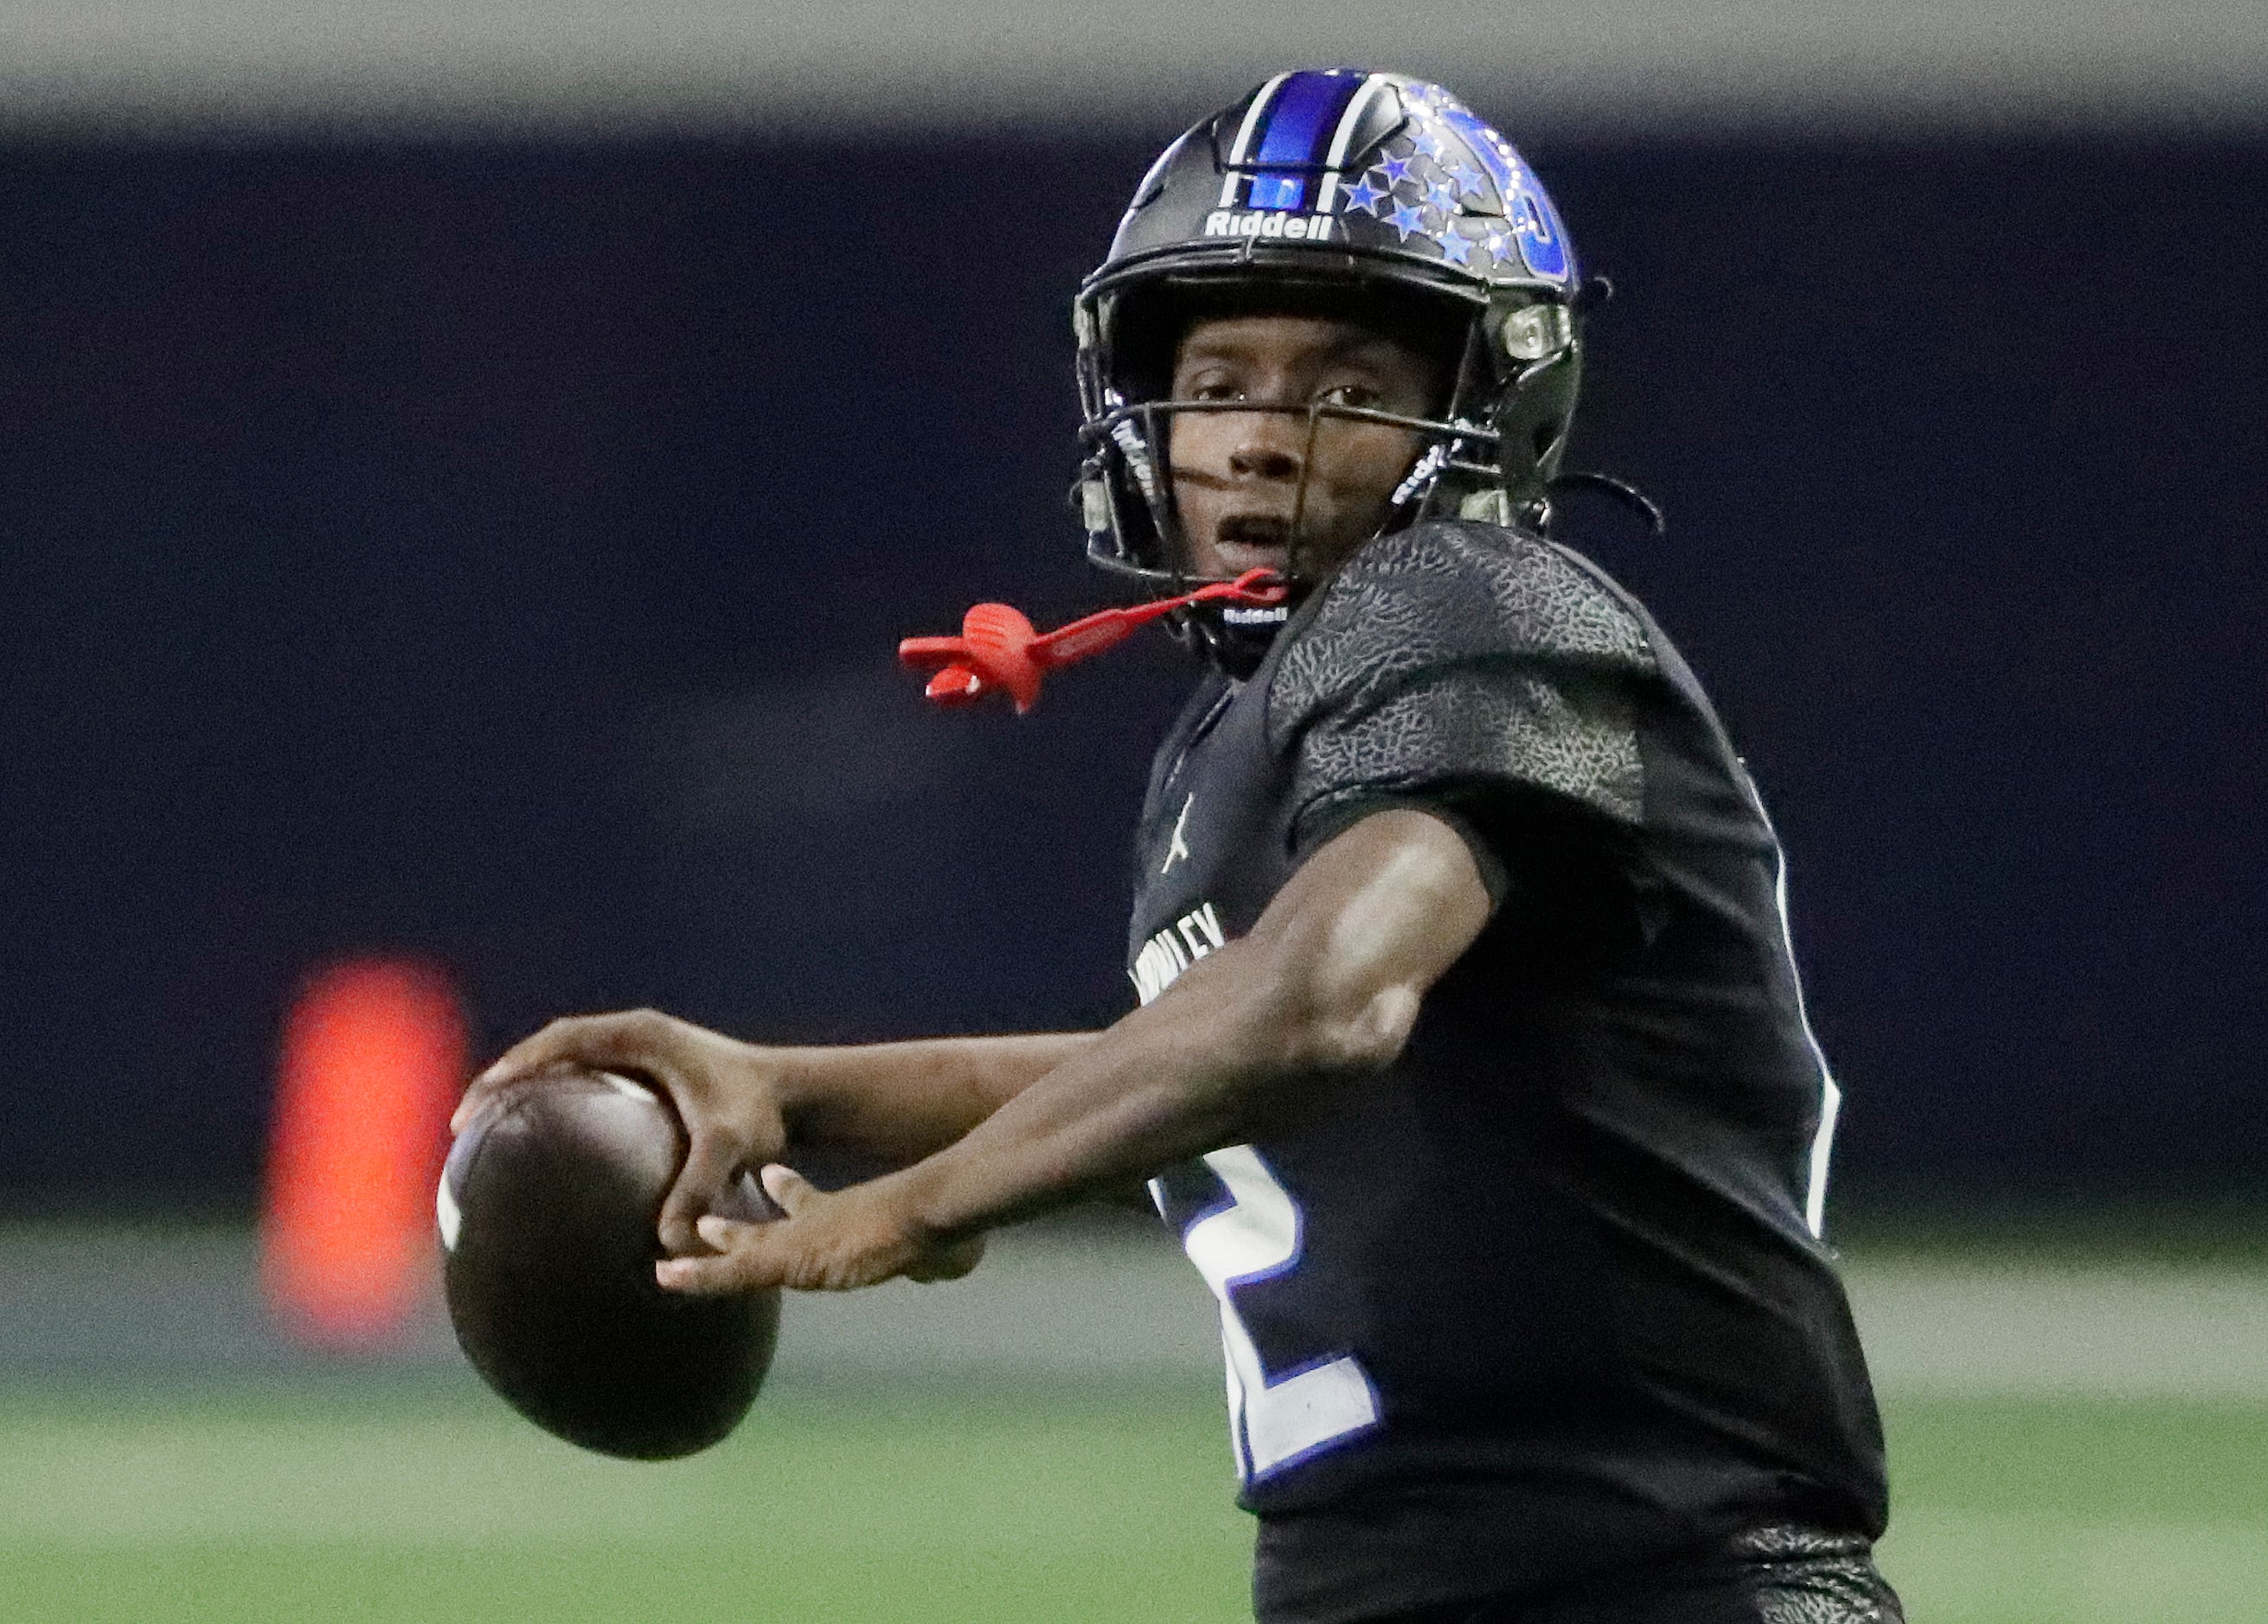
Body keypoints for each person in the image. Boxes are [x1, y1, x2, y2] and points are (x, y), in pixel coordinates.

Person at [461, 69, 1902, 1624]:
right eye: (1219, 380)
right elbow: (1211, 1078)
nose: (1261, 441)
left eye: (1345, 388)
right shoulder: (1245, 731)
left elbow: (1317, 1004)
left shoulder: (1478, 602)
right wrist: (794, 1089)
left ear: (1490, 401)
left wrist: (925, 1202)